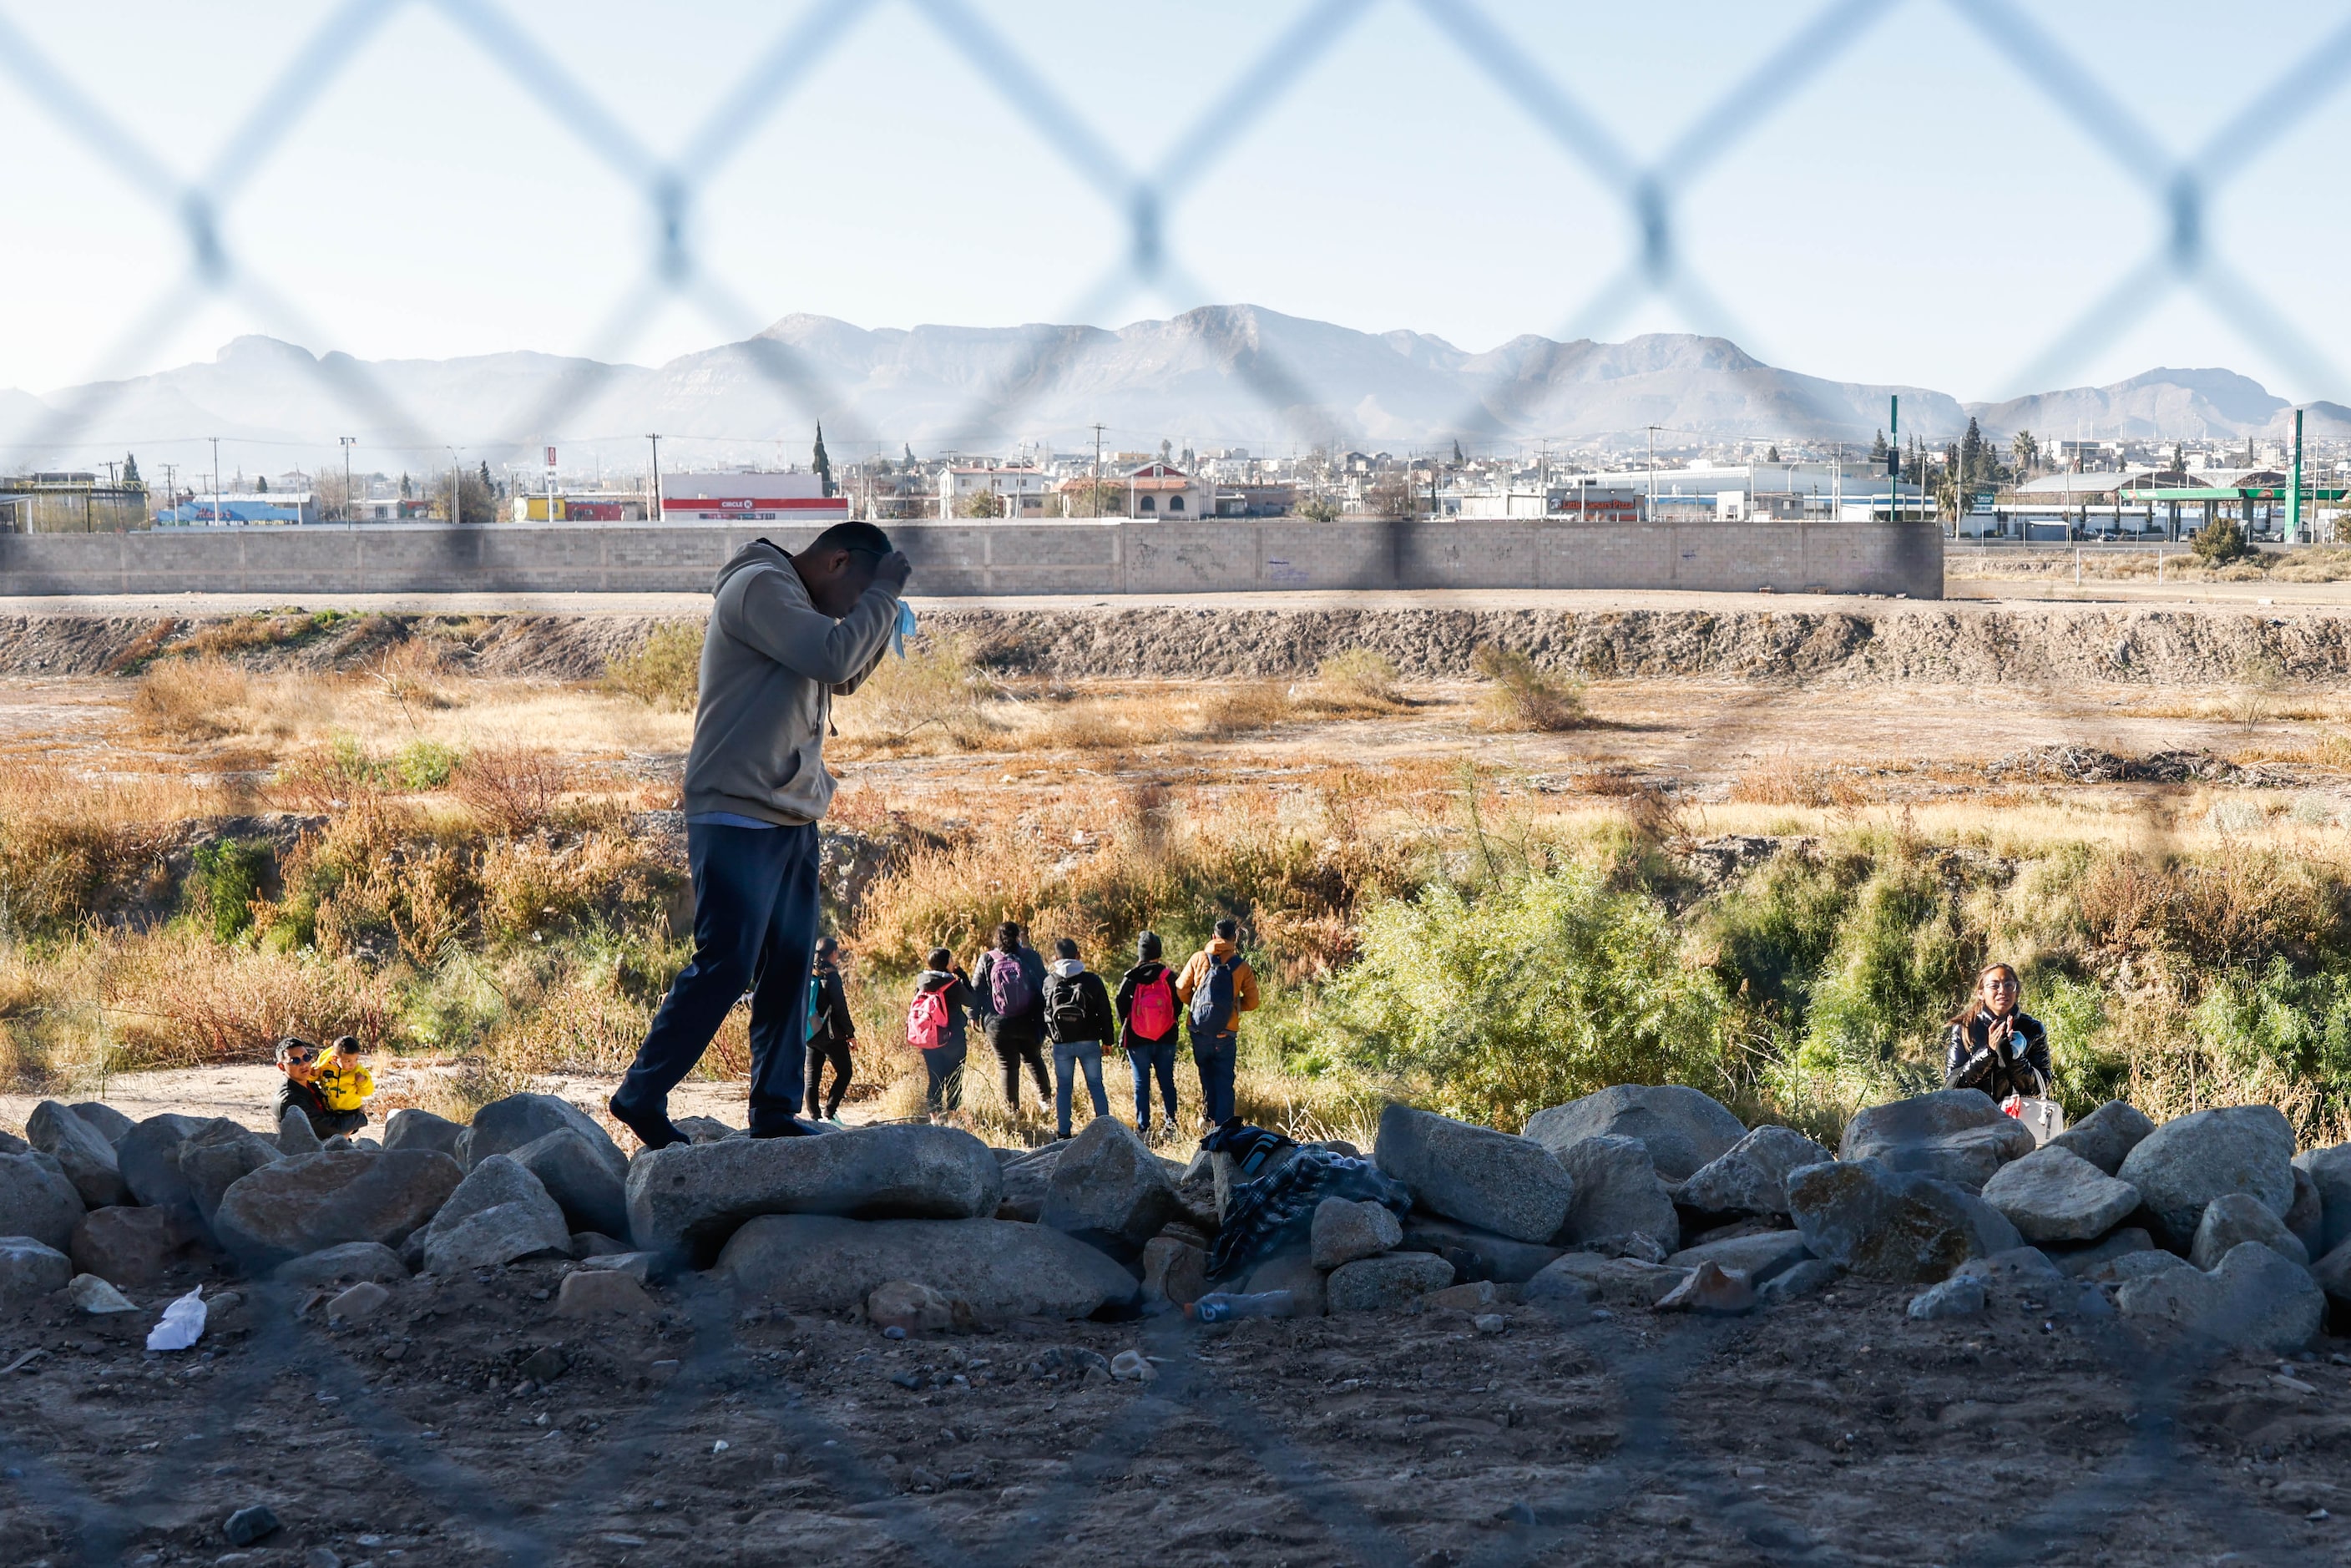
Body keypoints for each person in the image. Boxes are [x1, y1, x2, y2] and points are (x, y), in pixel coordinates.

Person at [608, 522, 911, 1148]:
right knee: (728, 962)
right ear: (836, 562)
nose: (855, 609)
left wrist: (883, 610)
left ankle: (774, 1110)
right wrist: (883, 597)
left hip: (792, 813)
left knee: (790, 969)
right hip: (738, 810)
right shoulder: (758, 587)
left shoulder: (798, 601)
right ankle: (641, 1093)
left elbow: (844, 674)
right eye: (856, 592)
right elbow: (832, 655)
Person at [1176, 918, 1260, 1130]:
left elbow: (1181, 988)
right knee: (1224, 1079)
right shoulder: (1241, 966)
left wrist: (1195, 1004)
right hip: (1225, 1033)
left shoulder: (1198, 958)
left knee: (1206, 1075)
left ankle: (1208, 1120)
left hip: (1199, 1029)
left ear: (1214, 937)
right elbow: (1253, 1001)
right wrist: (1233, 1007)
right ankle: (1225, 1129)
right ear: (1234, 939)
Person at [971, 921, 1051, 1115]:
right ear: (1018, 937)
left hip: (997, 1022)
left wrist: (973, 1015)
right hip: (1029, 1020)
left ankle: (1012, 1111)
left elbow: (977, 990)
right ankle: (1046, 1102)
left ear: (996, 939)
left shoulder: (987, 959)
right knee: (1033, 1059)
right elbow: (1045, 984)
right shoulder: (1031, 956)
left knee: (1007, 1065)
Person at [1944, 962, 2052, 1100]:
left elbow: (2040, 1088)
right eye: (1994, 985)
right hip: (1974, 1116)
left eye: (2008, 985)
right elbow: (1952, 1086)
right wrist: (1989, 1052)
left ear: (2017, 990)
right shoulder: (1965, 1028)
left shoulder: (2033, 1029)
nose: (2002, 990)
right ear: (1981, 993)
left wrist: (2015, 1057)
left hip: (2016, 1118)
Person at [1043, 938, 1116, 1140]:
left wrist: (1050, 1036)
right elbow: (1105, 1012)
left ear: (1056, 958)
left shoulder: (1050, 981)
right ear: (1078, 956)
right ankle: (1106, 1130)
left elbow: (1045, 1012)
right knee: (1096, 1085)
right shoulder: (1092, 981)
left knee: (1064, 1087)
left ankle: (1063, 1133)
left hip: (1061, 1045)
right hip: (1089, 1041)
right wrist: (1108, 1040)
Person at [1115, 930, 1182, 1136]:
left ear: (1140, 954)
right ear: (1158, 952)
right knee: (1167, 1082)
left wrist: (1129, 1021)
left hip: (1137, 1039)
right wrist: (1170, 1020)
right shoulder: (1169, 976)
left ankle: (1144, 1127)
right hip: (1166, 1037)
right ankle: (1171, 1125)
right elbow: (1179, 1002)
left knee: (1141, 1084)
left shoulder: (1131, 977)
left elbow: (1119, 1002)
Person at [907, 948, 975, 1118]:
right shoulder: (952, 985)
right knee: (954, 1080)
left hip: (929, 1038)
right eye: (951, 960)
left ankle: (935, 1119)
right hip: (953, 1039)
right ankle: (953, 1117)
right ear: (946, 964)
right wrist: (964, 977)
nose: (953, 962)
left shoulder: (922, 982)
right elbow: (972, 1001)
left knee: (935, 1078)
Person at [803, 935, 857, 1124]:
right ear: (833, 953)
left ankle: (815, 1117)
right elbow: (840, 1008)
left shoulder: (809, 972)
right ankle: (830, 1113)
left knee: (812, 1077)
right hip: (830, 1035)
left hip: (810, 1033)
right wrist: (850, 1033)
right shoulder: (831, 976)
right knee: (845, 1072)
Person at [275, 1036, 366, 1139]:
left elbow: (335, 1118)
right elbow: (330, 1130)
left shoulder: (310, 1086)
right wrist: (359, 1117)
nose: (304, 1064)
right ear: (281, 1066)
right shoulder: (290, 1098)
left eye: (306, 1058)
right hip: (307, 1153)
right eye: (295, 1061)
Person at [314, 1034, 374, 1120]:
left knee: (343, 1132)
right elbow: (308, 1078)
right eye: (348, 1061)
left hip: (351, 1111)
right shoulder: (324, 1065)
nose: (353, 1064)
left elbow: (368, 1092)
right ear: (335, 1058)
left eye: (356, 1059)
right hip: (328, 1110)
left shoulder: (358, 1071)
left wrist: (363, 1082)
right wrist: (314, 1074)